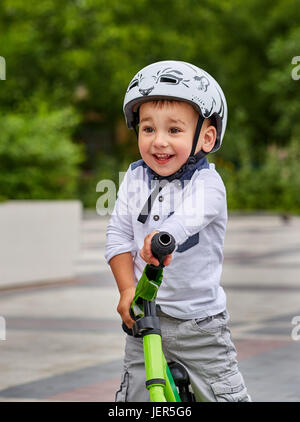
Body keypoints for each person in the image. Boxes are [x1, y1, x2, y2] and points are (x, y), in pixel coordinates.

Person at [105, 60, 251, 402]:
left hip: (199, 326)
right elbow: (117, 238)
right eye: (147, 129)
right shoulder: (134, 178)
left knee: (223, 395)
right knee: (135, 400)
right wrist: (127, 291)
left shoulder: (208, 184)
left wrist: (162, 237)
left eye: (174, 130)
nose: (159, 142)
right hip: (145, 318)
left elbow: (188, 218)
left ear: (206, 137)